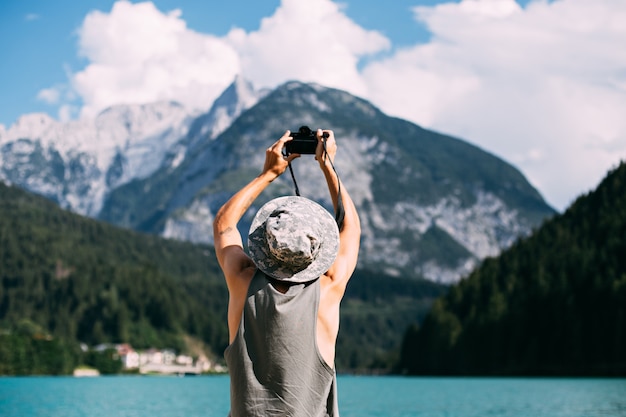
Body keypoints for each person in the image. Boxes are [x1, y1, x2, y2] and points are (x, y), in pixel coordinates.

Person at [213, 128, 361, 416]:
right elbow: (350, 228)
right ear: (317, 251)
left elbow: (224, 225)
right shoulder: (328, 287)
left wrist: (268, 173)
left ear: (266, 243)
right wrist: (327, 163)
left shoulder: (242, 280)